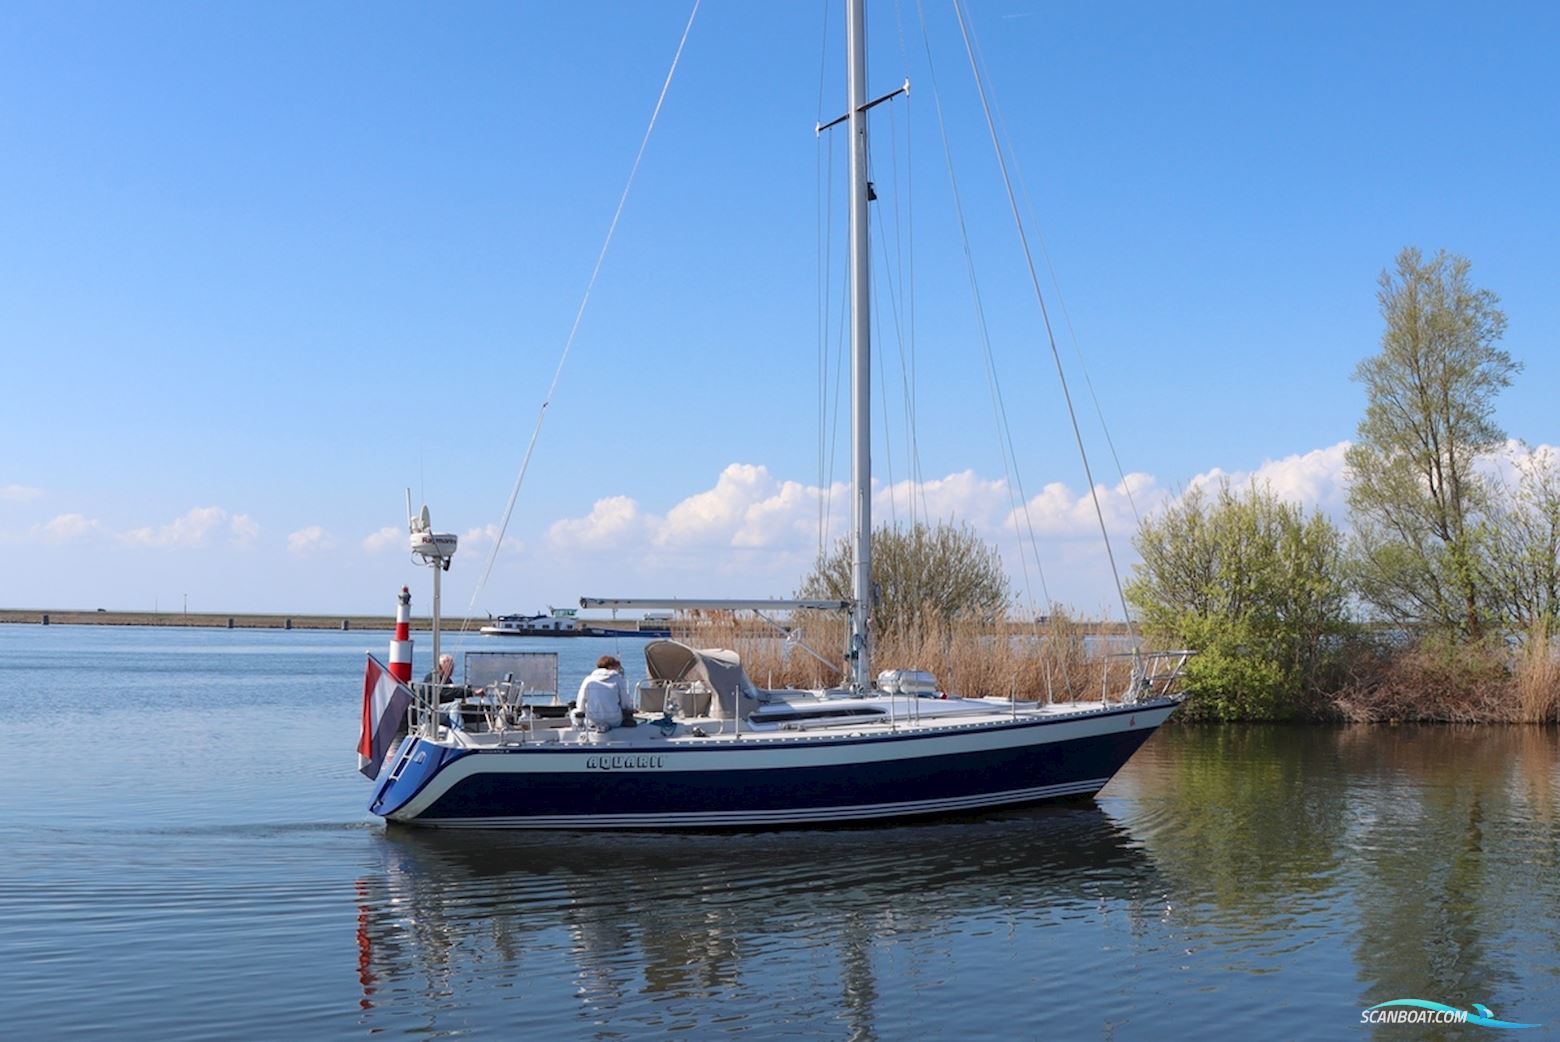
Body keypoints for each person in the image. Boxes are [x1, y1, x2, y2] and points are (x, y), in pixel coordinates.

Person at [574, 655, 634, 732]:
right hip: (614, 721)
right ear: (610, 667)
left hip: (593, 721)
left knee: (573, 712)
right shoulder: (618, 679)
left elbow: (581, 701)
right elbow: (625, 702)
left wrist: (581, 711)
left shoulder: (588, 679)